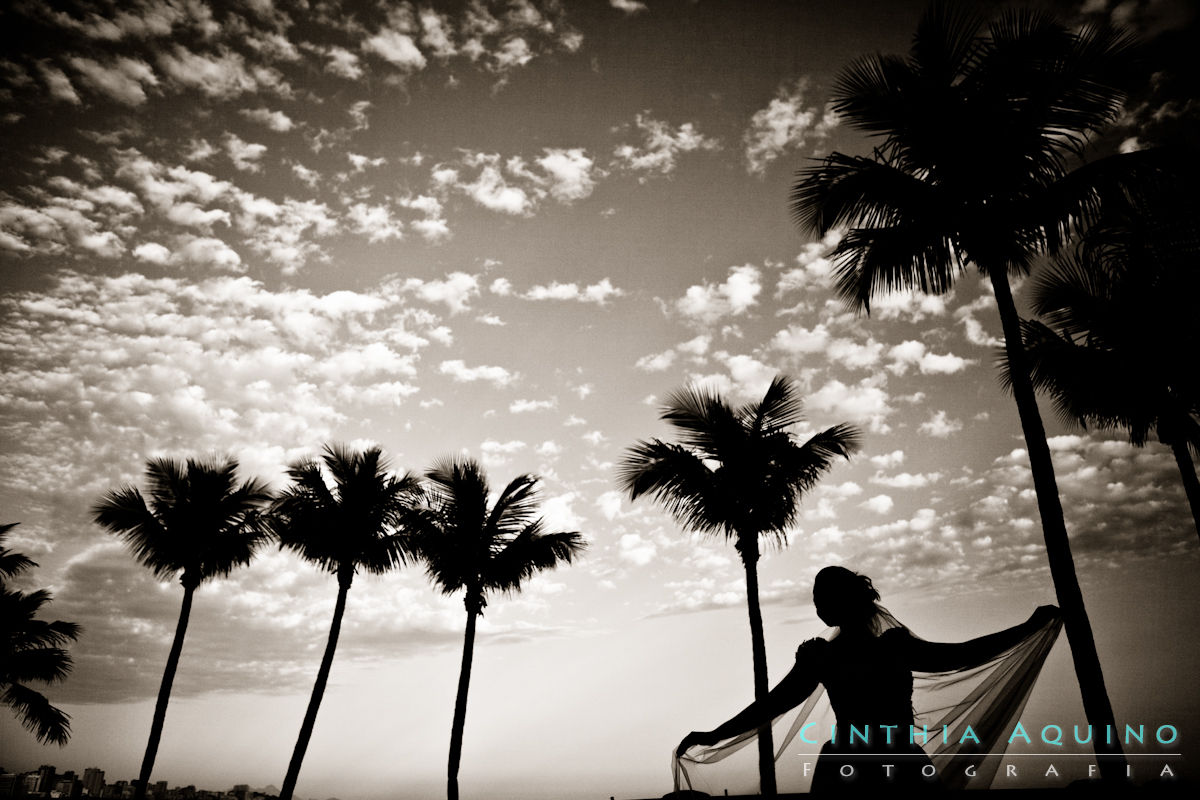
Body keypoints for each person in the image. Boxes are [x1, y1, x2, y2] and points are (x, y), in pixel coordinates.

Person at [674, 566, 1062, 794]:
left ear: (842, 601)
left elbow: (962, 654)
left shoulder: (869, 649)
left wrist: (1026, 628)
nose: (815, 603)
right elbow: (774, 703)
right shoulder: (825, 655)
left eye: (820, 595)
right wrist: (715, 734)